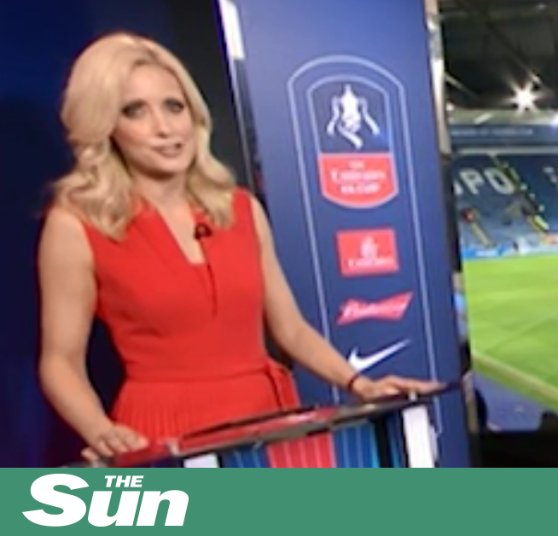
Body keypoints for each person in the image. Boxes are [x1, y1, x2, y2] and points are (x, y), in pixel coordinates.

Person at [37, 32, 438, 462]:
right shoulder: (78, 225)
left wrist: (360, 384)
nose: (165, 128)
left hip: (268, 421)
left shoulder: (240, 209)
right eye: (135, 111)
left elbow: (291, 330)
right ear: (107, 127)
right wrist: (101, 431)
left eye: (174, 106)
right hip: (162, 429)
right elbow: (60, 362)